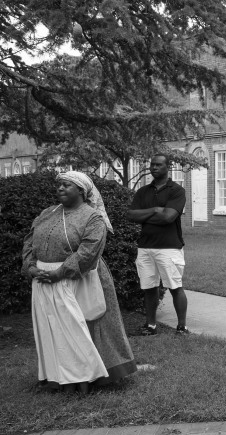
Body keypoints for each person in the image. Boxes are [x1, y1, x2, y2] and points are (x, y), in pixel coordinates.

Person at [22, 171, 137, 394]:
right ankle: (56, 376)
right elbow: (29, 242)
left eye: (67, 185)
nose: (61, 188)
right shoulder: (47, 213)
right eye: (59, 185)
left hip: (78, 279)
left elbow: (89, 250)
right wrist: (32, 268)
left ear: (82, 191)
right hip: (43, 280)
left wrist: (60, 272)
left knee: (79, 326)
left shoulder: (92, 217)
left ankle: (86, 378)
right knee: (51, 328)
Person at [126, 154, 188, 336]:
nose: (154, 168)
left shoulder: (176, 190)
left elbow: (169, 217)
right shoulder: (143, 191)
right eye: (152, 164)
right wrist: (154, 210)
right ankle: (150, 325)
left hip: (169, 246)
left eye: (158, 165)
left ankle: (182, 327)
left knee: (175, 286)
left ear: (167, 167)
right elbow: (130, 216)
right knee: (149, 287)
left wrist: (145, 215)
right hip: (145, 246)